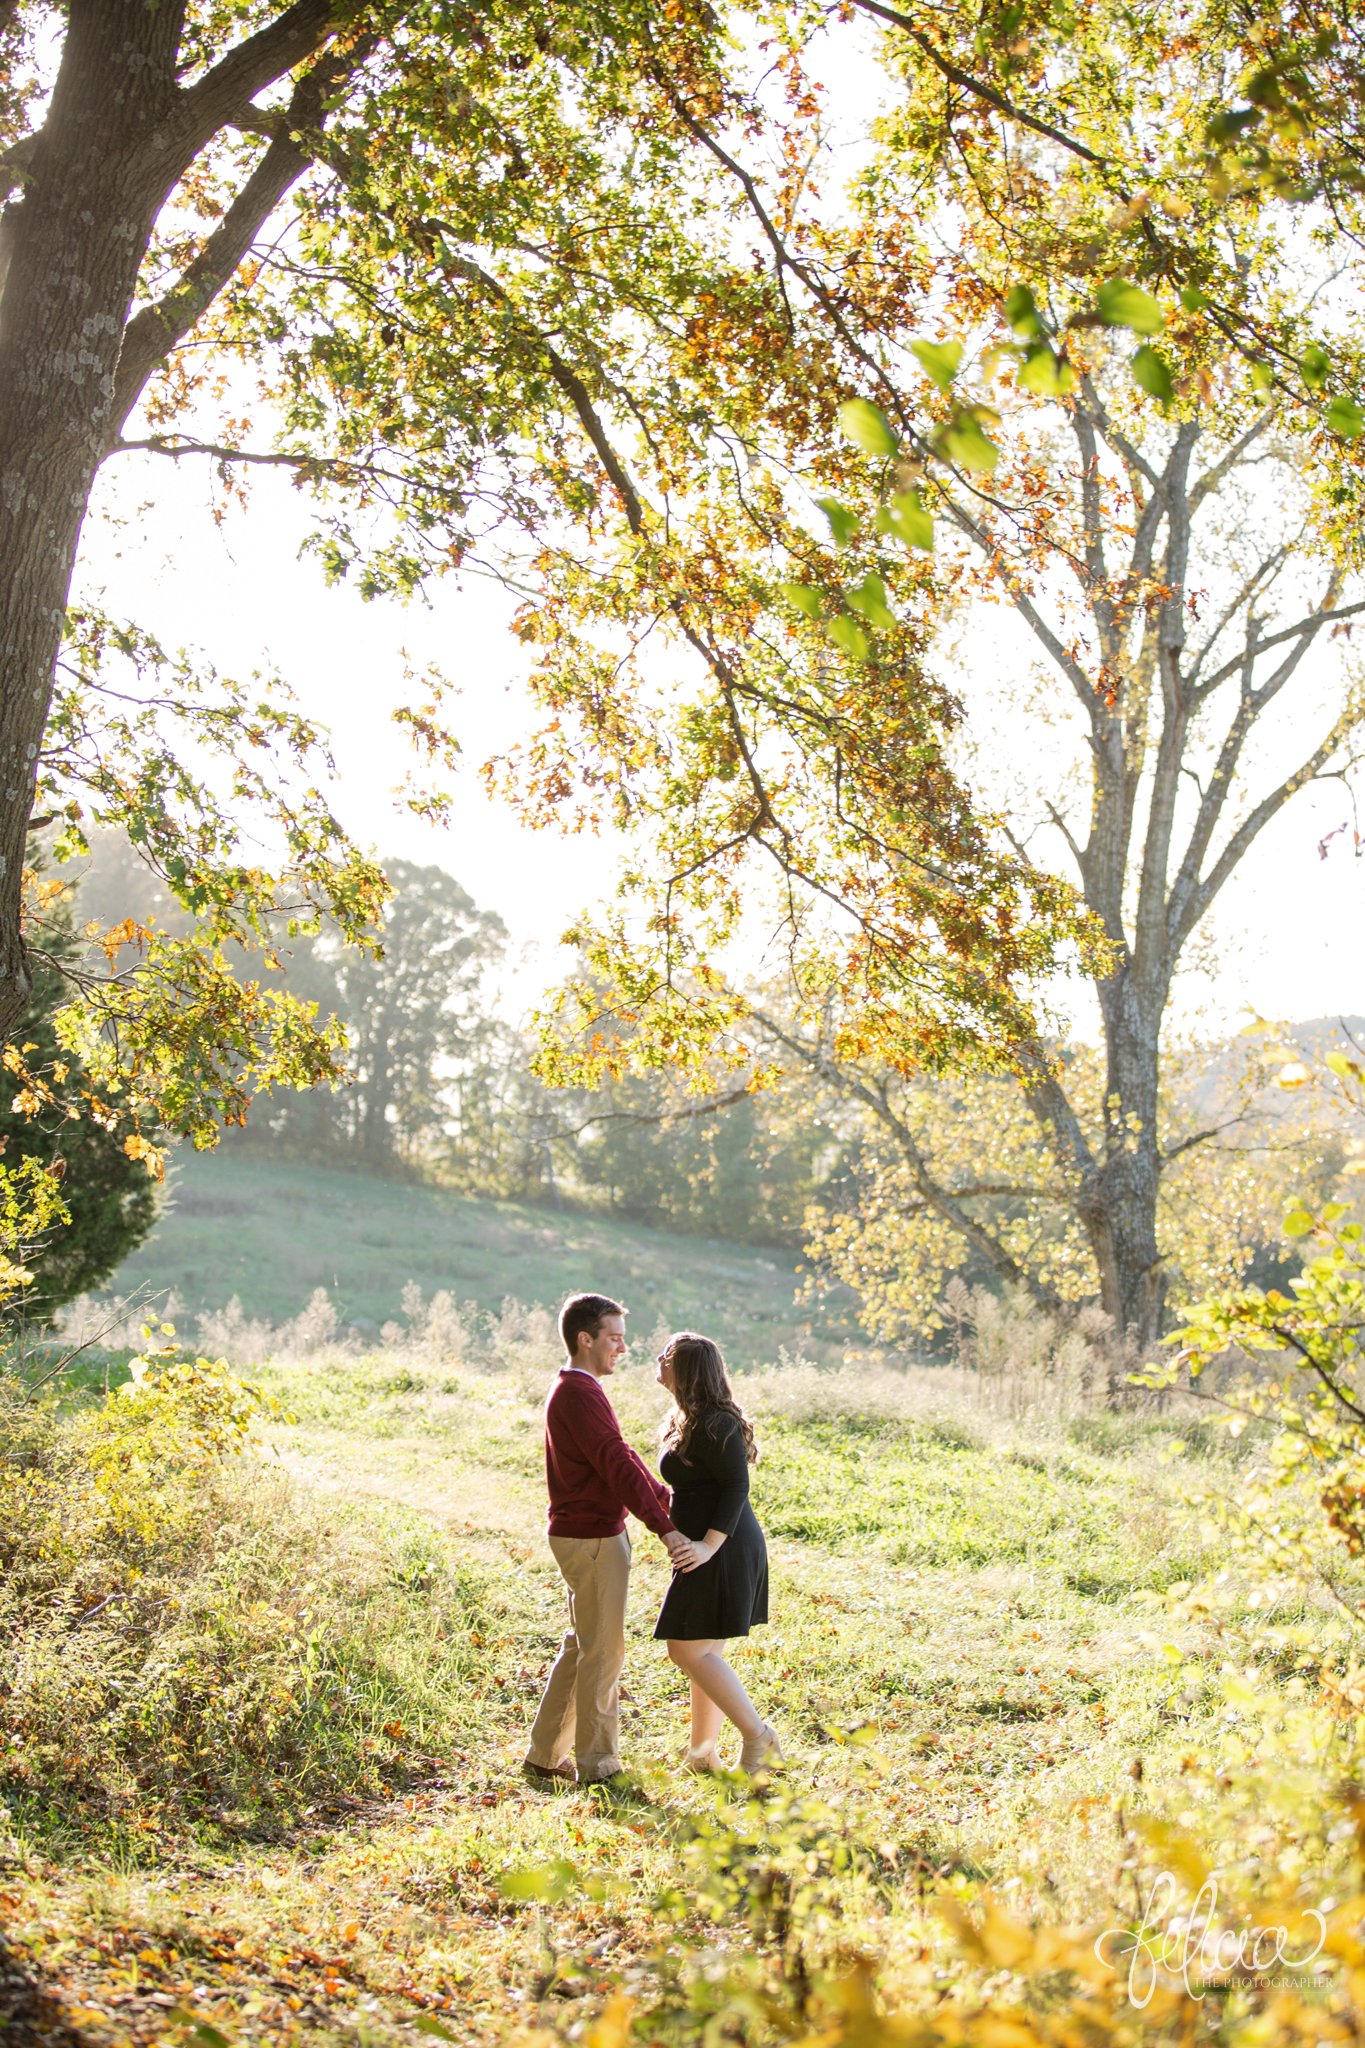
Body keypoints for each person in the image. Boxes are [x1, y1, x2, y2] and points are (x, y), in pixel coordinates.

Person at [524, 1292, 697, 1787]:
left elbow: (619, 1454)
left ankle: (543, 1755)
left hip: (582, 1534)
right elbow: (615, 1462)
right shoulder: (578, 1392)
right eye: (614, 1338)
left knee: (585, 1645)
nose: (623, 1347)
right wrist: (664, 1528)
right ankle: (599, 1766)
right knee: (603, 1652)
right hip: (593, 1538)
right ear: (586, 1339)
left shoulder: (578, 1389)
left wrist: (662, 1501)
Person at [654, 1331, 781, 1774]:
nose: (658, 1360)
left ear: (687, 1369)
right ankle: (702, 1754)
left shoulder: (716, 1422)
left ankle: (759, 1736)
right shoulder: (687, 1417)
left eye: (666, 1356)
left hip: (722, 1547)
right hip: (706, 1548)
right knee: (704, 1653)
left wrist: (707, 1546)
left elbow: (736, 1487)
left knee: (686, 1650)